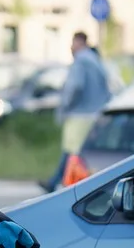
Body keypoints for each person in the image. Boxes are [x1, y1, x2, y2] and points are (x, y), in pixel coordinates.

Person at [39, 31, 112, 192]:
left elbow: (75, 87)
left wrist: (65, 106)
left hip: (79, 113)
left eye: (73, 43)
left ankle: (61, 183)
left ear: (79, 43)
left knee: (72, 151)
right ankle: (58, 181)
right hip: (95, 112)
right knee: (77, 152)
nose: (71, 47)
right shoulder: (96, 60)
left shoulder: (81, 61)